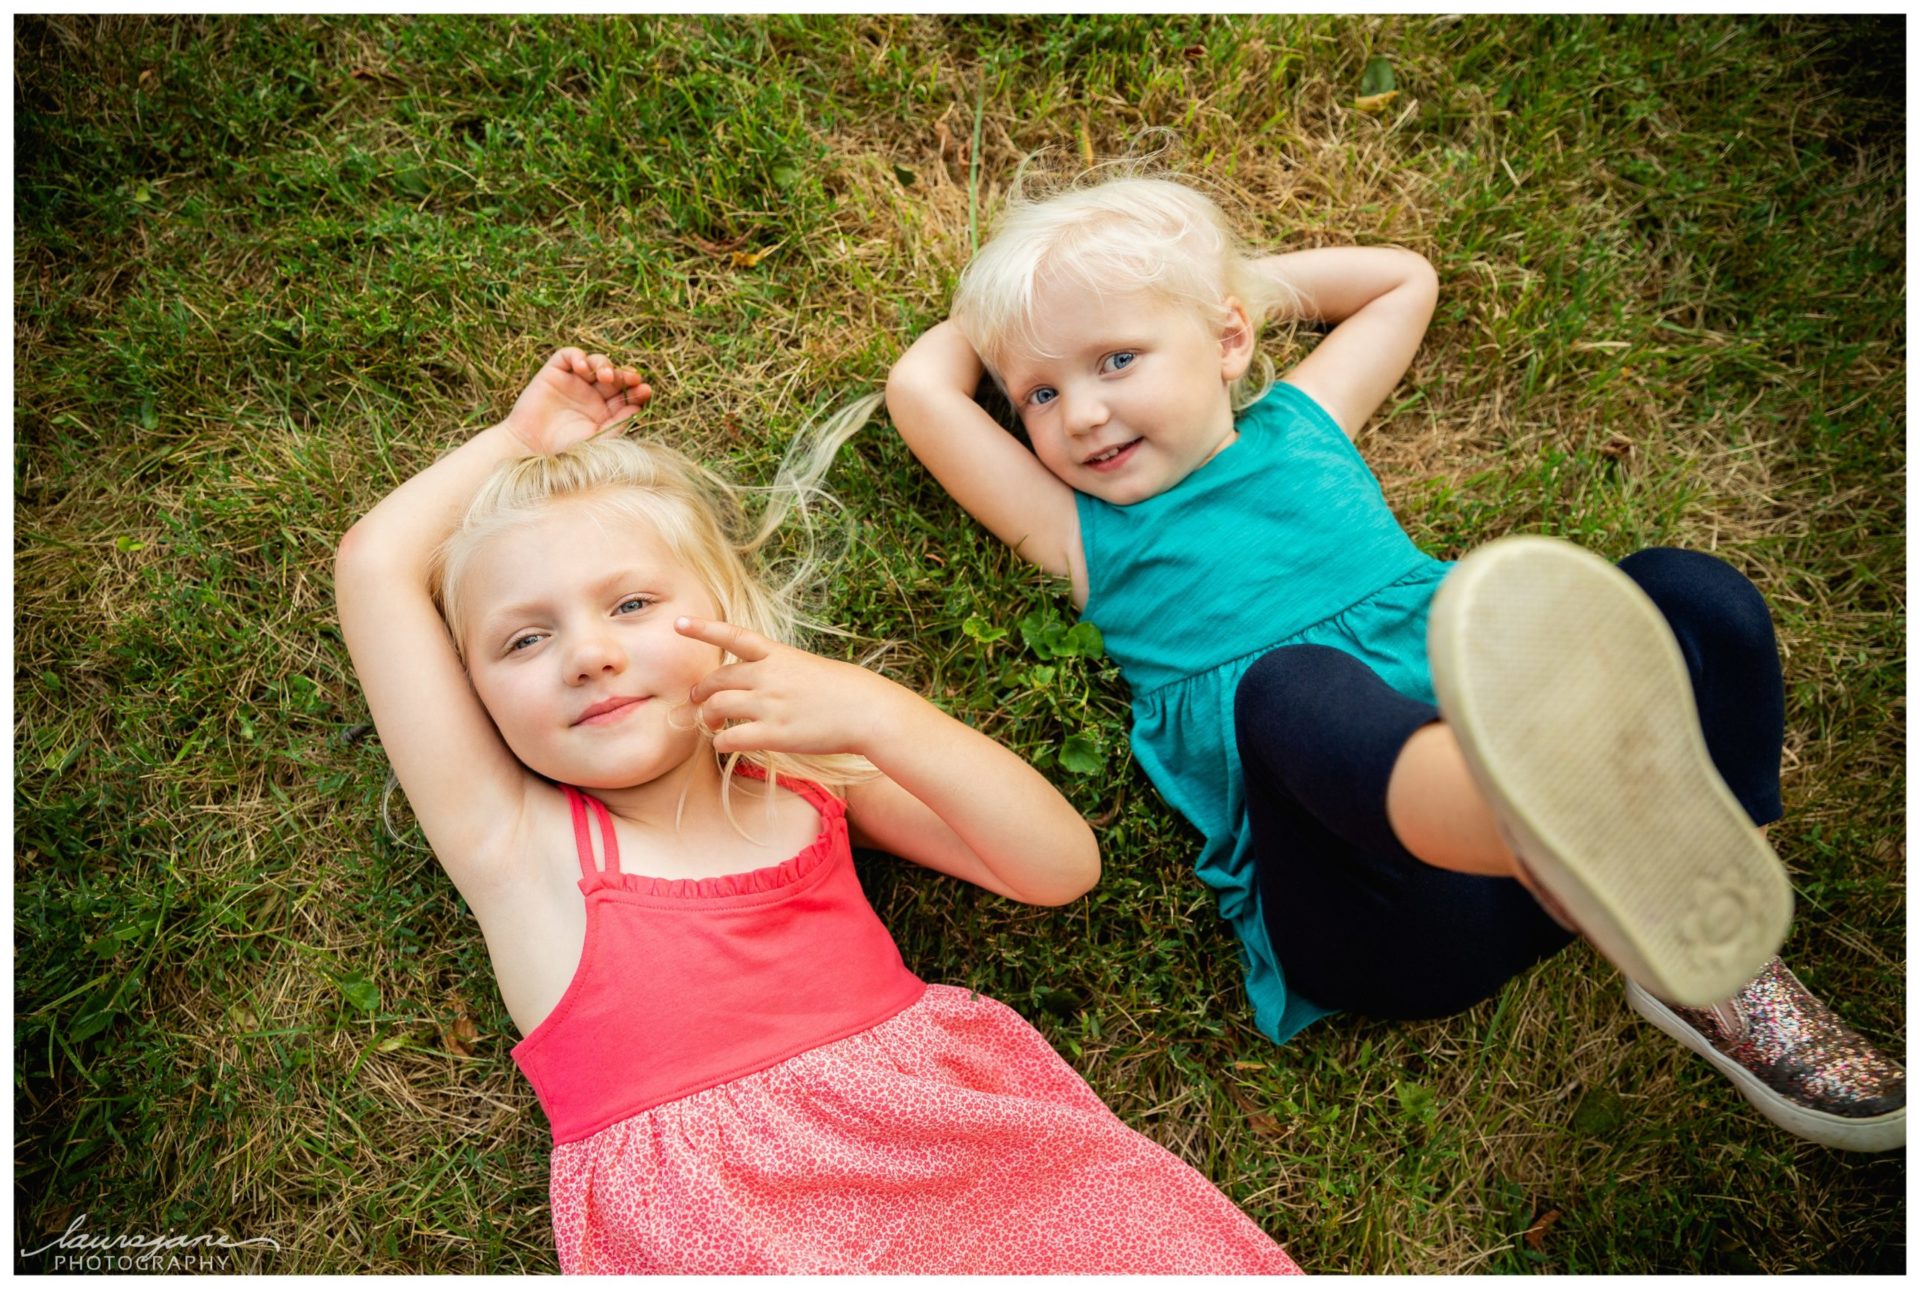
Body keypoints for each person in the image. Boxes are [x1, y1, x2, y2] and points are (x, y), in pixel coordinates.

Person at [881, 172, 1904, 1153]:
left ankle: (1696, 927)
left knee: (1691, 592)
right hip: (1407, 911)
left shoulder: (1306, 424)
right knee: (1292, 687)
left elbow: (1400, 278)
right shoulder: (1079, 533)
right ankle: (1546, 834)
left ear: (1232, 336)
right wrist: (1018, 316)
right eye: (1040, 393)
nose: (1083, 414)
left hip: (1523, 774)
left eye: (1116, 359)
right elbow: (921, 387)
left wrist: (1198, 283)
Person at [333, 347, 1301, 1274]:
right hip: (736, 1230)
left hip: (955, 1166)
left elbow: (1056, 867)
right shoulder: (517, 843)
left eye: (629, 605)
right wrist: (514, 439)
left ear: (726, 616)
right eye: (525, 639)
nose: (586, 653)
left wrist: (884, 717)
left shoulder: (806, 777)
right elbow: (376, 567)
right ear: (476, 693)